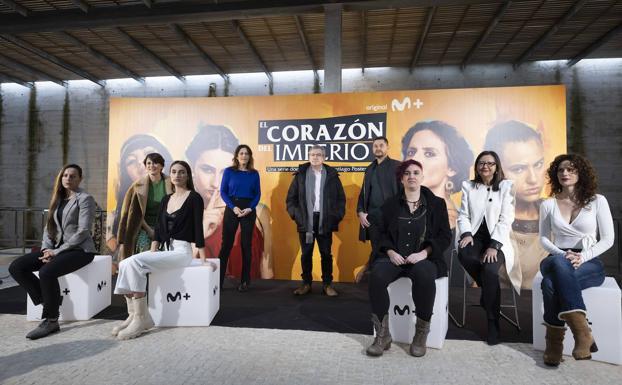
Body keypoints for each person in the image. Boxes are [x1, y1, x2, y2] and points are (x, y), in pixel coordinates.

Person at [112, 161, 209, 340]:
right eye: (174, 172)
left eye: (181, 172)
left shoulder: (194, 198)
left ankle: (142, 318)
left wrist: (203, 259)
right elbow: (158, 228)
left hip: (181, 252)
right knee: (126, 263)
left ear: (187, 176)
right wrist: (153, 250)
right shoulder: (167, 199)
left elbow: (198, 228)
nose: (177, 175)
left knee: (135, 262)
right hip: (164, 249)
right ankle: (134, 314)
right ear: (170, 175)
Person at [366, 159, 451, 357]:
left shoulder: (437, 204)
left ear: (422, 177)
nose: (411, 176)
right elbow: (379, 232)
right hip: (395, 257)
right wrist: (389, 252)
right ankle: (382, 335)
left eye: (415, 172)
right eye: (407, 173)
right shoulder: (390, 205)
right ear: (402, 179)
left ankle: (421, 334)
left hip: (423, 259)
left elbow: (445, 235)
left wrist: (424, 253)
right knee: (377, 275)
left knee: (424, 274)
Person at [538, 154, 614, 366]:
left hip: (589, 261)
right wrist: (563, 255)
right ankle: (583, 334)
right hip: (555, 257)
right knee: (559, 264)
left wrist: (583, 256)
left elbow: (608, 239)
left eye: (571, 169)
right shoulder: (548, 204)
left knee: (549, 284)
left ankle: (554, 345)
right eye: (561, 170)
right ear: (555, 174)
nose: (565, 173)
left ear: (581, 174)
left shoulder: (598, 201)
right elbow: (543, 238)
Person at [9, 164, 96, 340]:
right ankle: (51, 302)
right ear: (61, 178)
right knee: (17, 267)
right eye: (65, 175)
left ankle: (51, 320)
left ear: (80, 179)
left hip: (80, 250)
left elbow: (83, 231)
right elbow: (49, 228)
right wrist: (46, 249)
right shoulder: (57, 199)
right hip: (55, 249)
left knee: (46, 272)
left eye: (73, 176)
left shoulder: (85, 199)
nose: (68, 179)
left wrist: (56, 252)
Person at [186, 124, 274, 280]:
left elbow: (267, 272)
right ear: (192, 169)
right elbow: (179, 271)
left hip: (247, 299)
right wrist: (202, 229)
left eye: (224, 171)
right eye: (207, 170)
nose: (216, 182)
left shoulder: (259, 212)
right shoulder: (184, 211)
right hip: (200, 297)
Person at [457, 151, 516, 345]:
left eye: (490, 163)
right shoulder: (469, 186)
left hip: (496, 239)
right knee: (465, 255)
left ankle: (493, 322)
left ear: (497, 167)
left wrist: (494, 246)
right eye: (482, 163)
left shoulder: (506, 187)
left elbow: (506, 218)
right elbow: (463, 214)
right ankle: (487, 292)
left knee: (490, 270)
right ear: (476, 166)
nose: (485, 167)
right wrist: (466, 233)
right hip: (475, 236)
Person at [484, 120, 548, 289]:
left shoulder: (555, 213)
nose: (533, 179)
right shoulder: (485, 217)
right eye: (519, 169)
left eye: (538, 164)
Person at [286, 145, 345, 296]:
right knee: (306, 254)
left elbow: (340, 199)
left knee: (326, 254)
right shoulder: (301, 175)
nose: (315, 157)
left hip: (325, 220)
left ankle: (327, 285)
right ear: (308, 156)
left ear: (323, 157)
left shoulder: (331, 175)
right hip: (306, 220)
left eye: (318, 155)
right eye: (312, 154)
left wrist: (335, 216)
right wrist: (297, 216)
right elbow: (290, 199)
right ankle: (306, 284)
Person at [107, 134, 172, 254]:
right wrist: (149, 231)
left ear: (163, 163)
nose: (141, 165)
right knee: (142, 248)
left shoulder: (173, 185)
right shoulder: (135, 188)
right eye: (131, 161)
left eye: (154, 160)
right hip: (144, 230)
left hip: (169, 230)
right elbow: (126, 214)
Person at [401, 120, 473, 229]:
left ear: (452, 167)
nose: (414, 159)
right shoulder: (399, 210)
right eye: (411, 152)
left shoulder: (461, 223)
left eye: (429, 154)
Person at [356, 136, 401, 282]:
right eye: (375, 146)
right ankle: (377, 283)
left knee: (392, 250)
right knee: (377, 250)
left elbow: (404, 192)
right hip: (373, 218)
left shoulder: (397, 166)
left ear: (387, 147)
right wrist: (361, 212)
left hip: (393, 218)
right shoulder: (370, 169)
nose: (378, 148)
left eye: (381, 145)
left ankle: (391, 284)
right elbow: (364, 192)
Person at [218, 144, 261, 292]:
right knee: (226, 245)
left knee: (246, 245)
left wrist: (250, 208)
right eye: (241, 153)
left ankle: (245, 281)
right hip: (232, 207)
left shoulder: (254, 174)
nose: (244, 156)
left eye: (247, 153)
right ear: (236, 156)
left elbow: (257, 194)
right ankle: (218, 280)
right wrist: (233, 207)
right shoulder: (229, 172)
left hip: (249, 208)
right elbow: (223, 192)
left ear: (250, 157)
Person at [116, 153, 173, 262]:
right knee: (143, 251)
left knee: (165, 255)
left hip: (166, 226)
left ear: (161, 166)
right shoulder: (136, 185)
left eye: (155, 162)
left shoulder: (172, 183)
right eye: (149, 163)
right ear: (146, 166)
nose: (152, 165)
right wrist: (149, 230)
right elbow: (128, 212)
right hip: (144, 226)